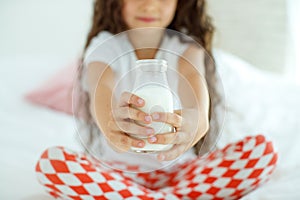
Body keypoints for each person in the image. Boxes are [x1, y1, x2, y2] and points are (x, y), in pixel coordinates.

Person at [35, 0, 278, 199]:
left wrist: (196, 119)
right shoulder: (105, 47)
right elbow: (102, 88)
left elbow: (193, 83)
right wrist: (111, 124)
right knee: (52, 164)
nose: (150, 6)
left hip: (182, 171)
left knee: (262, 151)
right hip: (120, 173)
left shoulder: (185, 47)